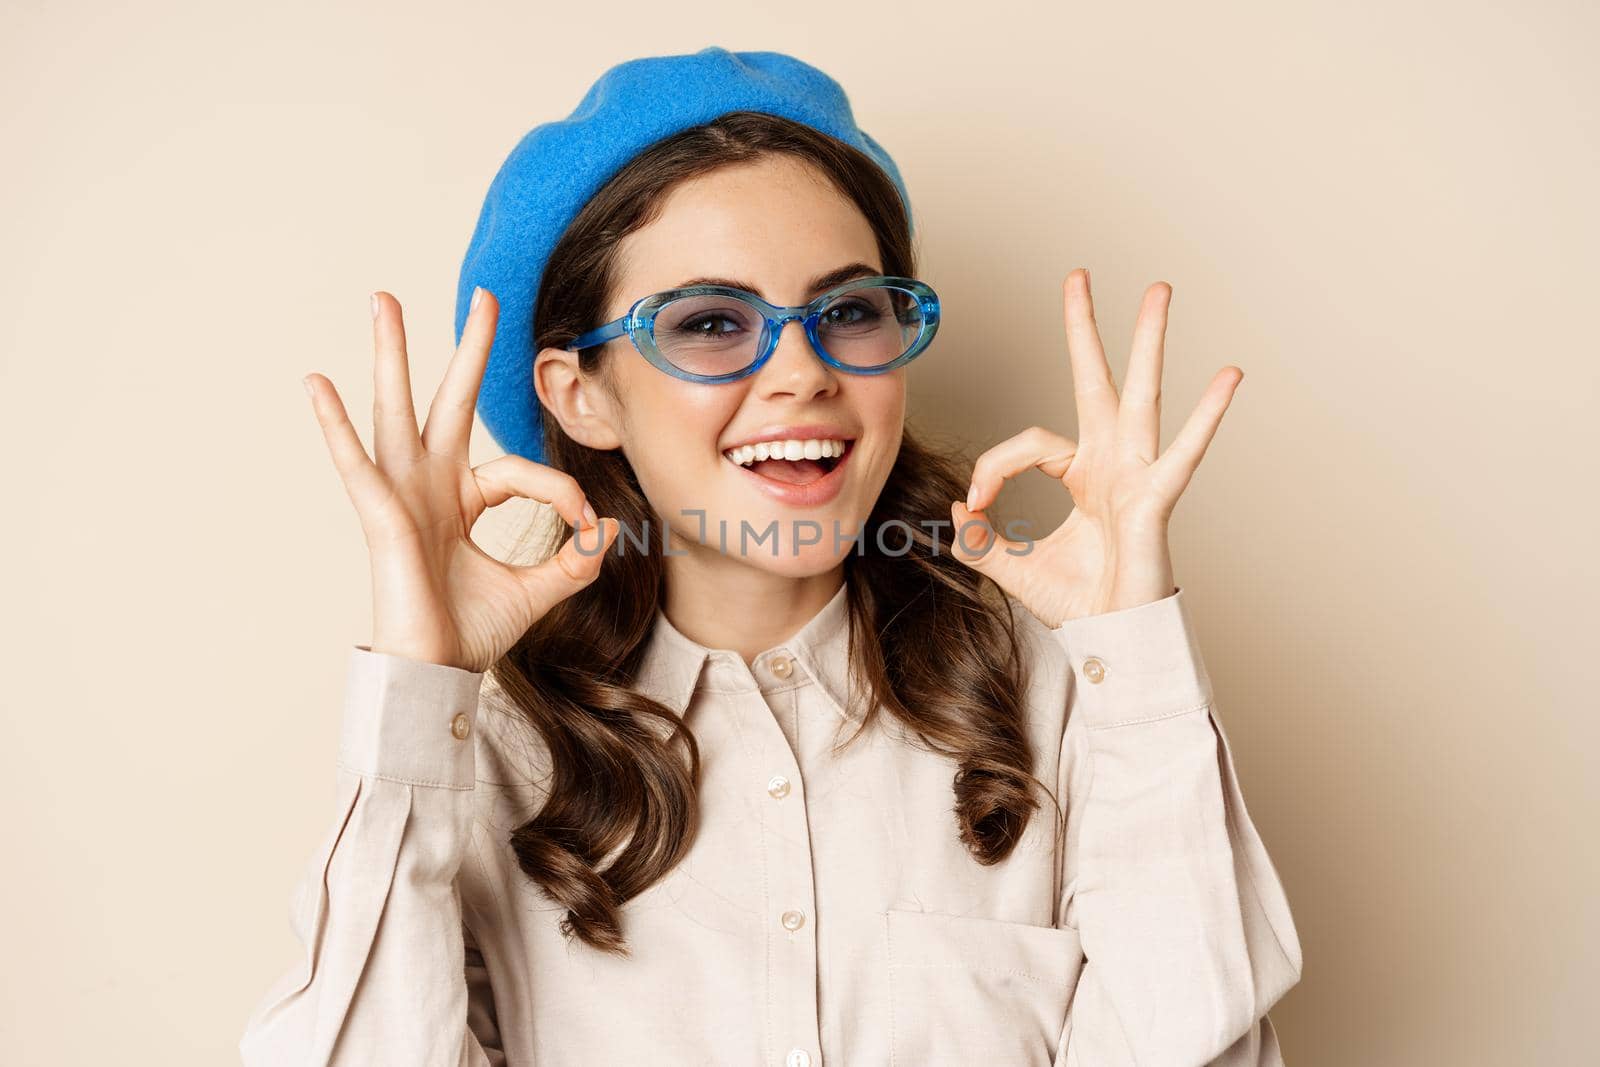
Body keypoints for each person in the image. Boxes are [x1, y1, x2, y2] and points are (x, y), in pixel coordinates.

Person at [239, 45, 1301, 1067]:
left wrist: (1135, 660)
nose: (801, 370)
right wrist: (416, 690)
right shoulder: (483, 748)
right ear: (583, 395)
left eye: (847, 309)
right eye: (708, 321)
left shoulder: (1059, 692)